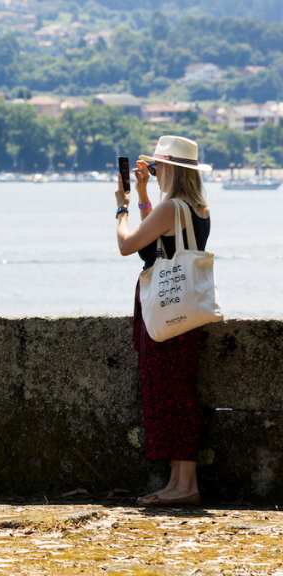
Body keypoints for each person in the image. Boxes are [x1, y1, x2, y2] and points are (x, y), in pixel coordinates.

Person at [113, 135, 212, 507]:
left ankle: (185, 485)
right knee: (176, 392)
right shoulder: (196, 208)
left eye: (156, 168)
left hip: (164, 309)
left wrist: (120, 209)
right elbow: (154, 243)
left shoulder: (171, 208)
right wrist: (141, 194)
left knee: (169, 394)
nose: (153, 172)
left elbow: (127, 245)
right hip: (183, 306)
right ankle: (178, 481)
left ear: (170, 169)